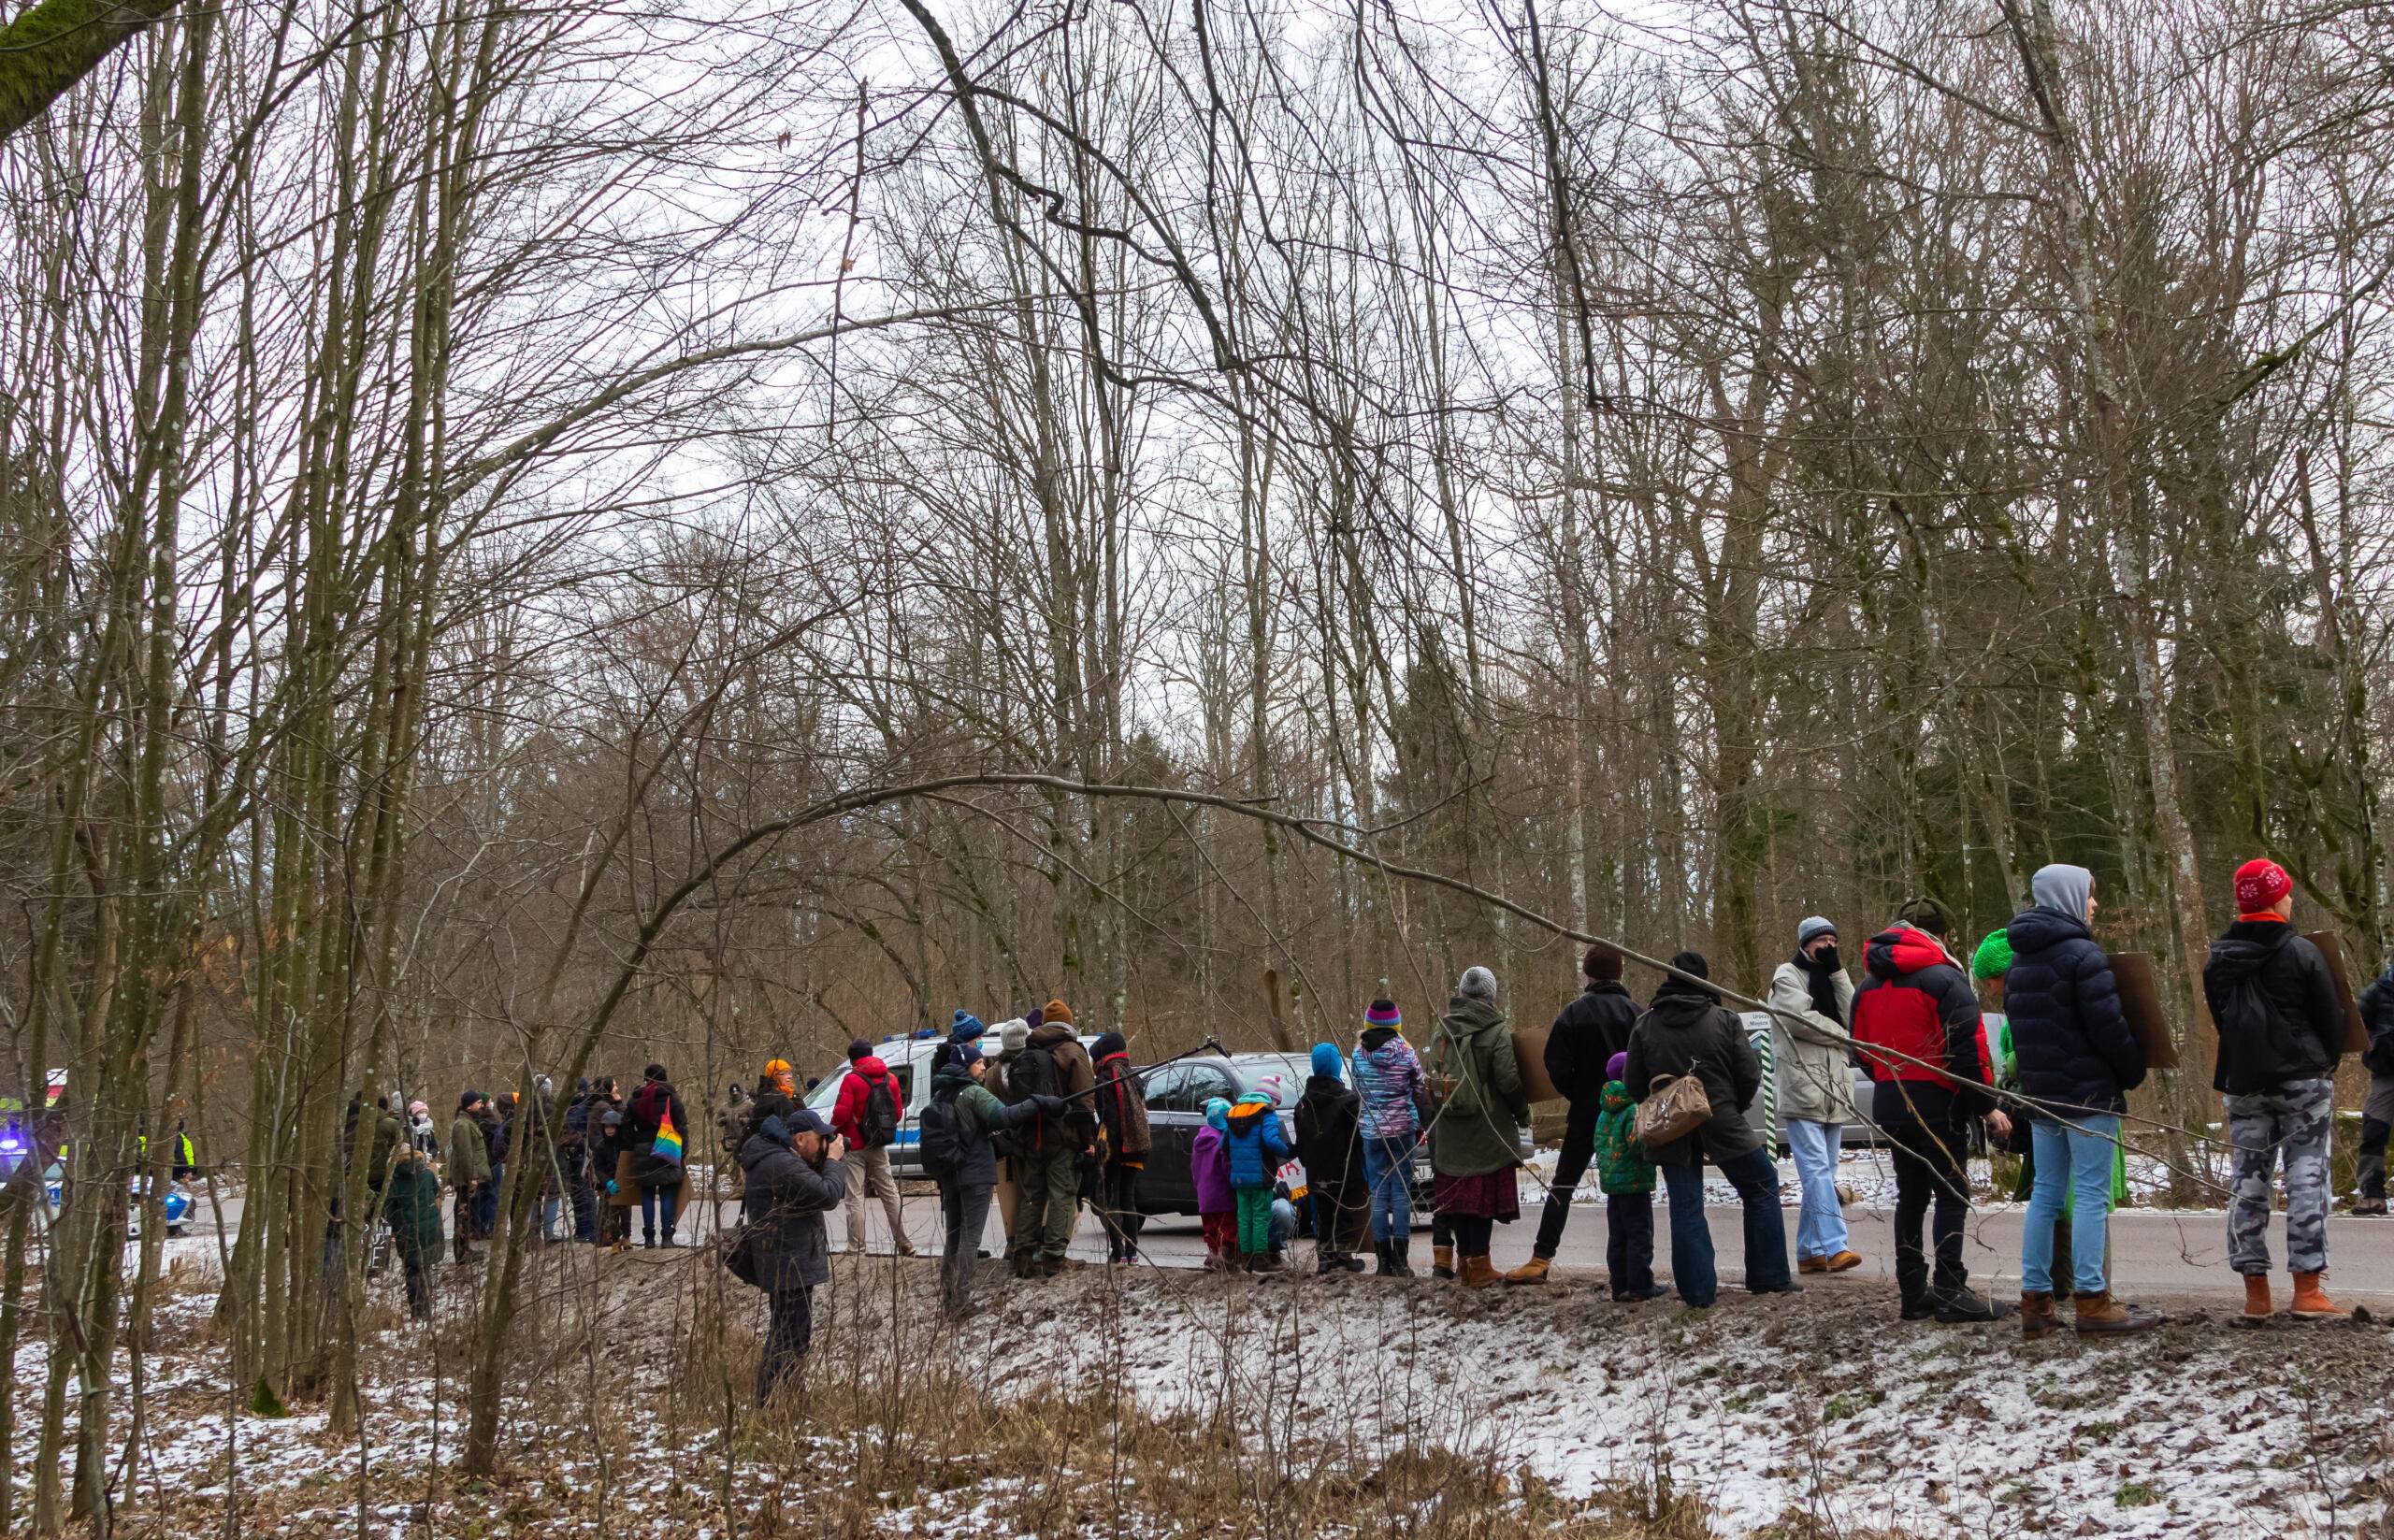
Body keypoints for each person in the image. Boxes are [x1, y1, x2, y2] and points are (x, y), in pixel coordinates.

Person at [2005, 863, 2156, 1335]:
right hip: (2090, 1094)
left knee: (2046, 1195)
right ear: (2070, 897)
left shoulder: (2019, 962)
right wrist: (2132, 1071)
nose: (2094, 904)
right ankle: (2092, 1300)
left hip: (2043, 1098)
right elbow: (2109, 1028)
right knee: (2090, 1194)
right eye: (2090, 895)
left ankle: (2036, 1301)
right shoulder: (2084, 956)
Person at [1851, 899, 2010, 1322]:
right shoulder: (1944, 978)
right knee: (1952, 1194)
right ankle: (1951, 1289)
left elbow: (1861, 1050)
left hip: (1891, 1100)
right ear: (1943, 935)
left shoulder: (1867, 986)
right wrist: (1986, 1106)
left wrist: (1890, 1075)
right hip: (1939, 1102)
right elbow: (1969, 1053)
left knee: (1912, 1196)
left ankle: (1913, 1291)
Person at [2202, 857, 2346, 1319]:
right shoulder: (2302, 951)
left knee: (2248, 1181)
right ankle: (2307, 1291)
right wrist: (2324, 1061)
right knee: (2307, 1177)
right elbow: (2331, 1019)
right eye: (2285, 892)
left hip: (2243, 1082)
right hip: (2302, 1079)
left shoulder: (2218, 958)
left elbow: (2221, 1019)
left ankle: (2255, 1295)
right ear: (2275, 898)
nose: (2290, 898)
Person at [1623, 951, 1795, 1307]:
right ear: (1705, 980)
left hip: (1669, 1125)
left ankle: (1698, 1294)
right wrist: (1732, 1105)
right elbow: (1749, 1074)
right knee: (1761, 1187)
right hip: (1722, 1119)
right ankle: (1769, 1277)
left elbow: (1633, 1082)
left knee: (1686, 1207)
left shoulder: (1646, 1024)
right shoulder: (1724, 1020)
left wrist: (1664, 1106)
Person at [1507, 944, 1641, 1285]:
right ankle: (1628, 1267)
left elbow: (1554, 1065)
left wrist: (1579, 1093)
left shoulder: (1572, 1014)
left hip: (1585, 1112)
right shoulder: (1637, 1014)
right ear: (1619, 972)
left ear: (1588, 973)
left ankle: (1541, 1258)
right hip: (1629, 1113)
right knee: (1628, 1188)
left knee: (1563, 1184)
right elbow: (1647, 1060)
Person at [922, 1043, 1064, 1314]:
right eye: (978, 1063)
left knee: (953, 1238)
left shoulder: (941, 1094)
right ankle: (961, 1302)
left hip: (949, 1175)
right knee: (970, 1239)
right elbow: (1005, 1116)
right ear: (966, 1066)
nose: (983, 1067)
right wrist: (1038, 1102)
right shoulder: (973, 1093)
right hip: (975, 1174)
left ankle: (949, 1299)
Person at [1767, 917, 1861, 1277]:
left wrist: (1838, 975)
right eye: (1821, 941)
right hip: (1803, 1088)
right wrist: (1844, 1036)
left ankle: (1809, 1252)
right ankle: (1836, 1245)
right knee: (1817, 1171)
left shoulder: (1835, 975)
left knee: (1824, 1173)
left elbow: (1857, 1017)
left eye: (1833, 941)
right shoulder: (1787, 976)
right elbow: (1798, 1020)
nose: (1827, 947)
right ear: (1806, 944)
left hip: (1835, 1089)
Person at [1426, 966, 1529, 1289]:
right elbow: (1509, 1079)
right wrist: (1521, 1111)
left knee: (1458, 1198)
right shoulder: (1496, 1030)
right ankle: (1480, 1266)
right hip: (1487, 1127)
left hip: (1450, 1128)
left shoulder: (1441, 1028)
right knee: (1481, 1199)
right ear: (1490, 995)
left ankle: (1467, 1264)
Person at [740, 1109, 849, 1402]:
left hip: (786, 1259)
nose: (825, 1144)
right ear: (799, 1139)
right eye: (821, 1138)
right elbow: (828, 1194)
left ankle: (783, 1399)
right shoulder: (782, 1164)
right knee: (788, 1337)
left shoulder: (779, 1158)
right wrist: (834, 1162)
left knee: (790, 1334)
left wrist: (824, 1159)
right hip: (788, 1263)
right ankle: (770, 1404)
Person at [1013, 1001, 1097, 1276]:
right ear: (1068, 1023)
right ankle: (1054, 1257)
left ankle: (1023, 1255)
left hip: (1031, 1137)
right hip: (1064, 1137)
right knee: (1063, 1194)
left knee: (1033, 1195)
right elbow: (1086, 1101)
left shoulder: (1029, 1051)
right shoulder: (1072, 1051)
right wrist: (1088, 1141)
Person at [1352, 1000, 1423, 1275]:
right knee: (1402, 1193)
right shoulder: (1406, 1053)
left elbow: (1358, 1087)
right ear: (1397, 1024)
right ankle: (1401, 1262)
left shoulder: (1359, 1054)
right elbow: (1419, 1086)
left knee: (1378, 1194)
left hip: (1372, 1131)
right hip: (1402, 1129)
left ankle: (1383, 1263)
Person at [828, 1042, 914, 1259]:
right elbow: (898, 1113)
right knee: (889, 1192)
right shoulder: (890, 1078)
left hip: (854, 1146)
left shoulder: (852, 1079)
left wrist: (834, 1131)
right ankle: (905, 1242)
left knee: (854, 1196)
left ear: (852, 1059)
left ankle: (857, 1249)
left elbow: (841, 1114)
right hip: (879, 1144)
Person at [1593, 1051, 1665, 1301]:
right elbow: (1637, 1144)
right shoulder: (1633, 1108)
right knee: (1640, 1235)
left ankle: (1620, 1284)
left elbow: (1600, 1144)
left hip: (1613, 1185)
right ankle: (1640, 1286)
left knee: (1618, 1236)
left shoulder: (1604, 1110)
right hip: (1635, 1183)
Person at [1294, 1043, 1366, 1274]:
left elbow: (1302, 1141)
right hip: (1344, 1169)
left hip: (1316, 1171)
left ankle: (1325, 1257)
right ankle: (1343, 1255)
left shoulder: (1303, 1104)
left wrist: (1307, 1161)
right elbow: (1357, 1139)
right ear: (1337, 1066)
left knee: (1323, 1213)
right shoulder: (1349, 1101)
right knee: (1342, 1211)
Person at [1089, 1031, 1152, 1263]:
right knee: (1129, 1198)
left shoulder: (1105, 1079)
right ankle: (1133, 1252)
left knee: (1112, 1200)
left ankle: (1118, 1253)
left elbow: (1109, 1119)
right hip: (1138, 1146)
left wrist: (1106, 1153)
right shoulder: (1135, 1076)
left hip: (1116, 1149)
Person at [1222, 1090, 1294, 1272]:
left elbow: (1223, 1145)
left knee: (1244, 1218)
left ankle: (1247, 1260)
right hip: (1261, 1176)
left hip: (1239, 1179)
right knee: (1261, 1217)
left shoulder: (1234, 1113)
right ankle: (1261, 1260)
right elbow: (1271, 1141)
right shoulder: (1266, 1115)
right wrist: (1289, 1151)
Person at [626, 1063, 689, 1247]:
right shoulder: (672, 1098)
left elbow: (627, 1127)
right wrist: (683, 1150)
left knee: (647, 1194)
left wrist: (633, 1146)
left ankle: (649, 1238)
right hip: (667, 1148)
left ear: (646, 1078)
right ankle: (667, 1237)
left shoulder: (635, 1100)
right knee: (667, 1193)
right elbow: (682, 1126)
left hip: (642, 1150)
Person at [383, 1143, 445, 1320]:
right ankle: (426, 1310)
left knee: (412, 1270)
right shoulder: (426, 1175)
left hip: (407, 1229)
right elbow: (437, 1195)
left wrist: (396, 1227)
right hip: (429, 1228)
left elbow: (390, 1208)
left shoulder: (393, 1181)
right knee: (425, 1267)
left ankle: (417, 1312)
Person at [2353, 957, 2394, 1216]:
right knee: (2374, 1130)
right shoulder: (2378, 991)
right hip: (2385, 1073)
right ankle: (2372, 1195)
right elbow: (2355, 1024)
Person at [446, 1091, 492, 1264]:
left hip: (471, 1178)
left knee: (468, 1214)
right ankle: (461, 1252)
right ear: (469, 1105)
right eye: (479, 1102)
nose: (482, 1106)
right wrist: (471, 1176)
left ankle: (465, 1249)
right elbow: (465, 1153)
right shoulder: (463, 1125)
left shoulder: (468, 1123)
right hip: (467, 1179)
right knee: (463, 1214)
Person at [1194, 1098, 1235, 1270]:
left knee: (1210, 1229)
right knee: (1227, 1229)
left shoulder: (1199, 1141)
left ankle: (1212, 1255)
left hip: (1205, 1197)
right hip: (1223, 1196)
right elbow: (1226, 1168)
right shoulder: (1221, 1143)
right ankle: (1225, 1256)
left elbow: (1194, 1169)